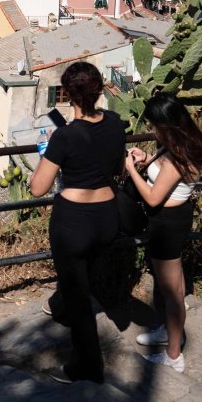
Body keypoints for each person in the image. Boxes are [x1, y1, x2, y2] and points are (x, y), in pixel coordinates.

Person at [29, 61, 127, 384]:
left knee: (77, 295)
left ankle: (86, 365)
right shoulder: (115, 124)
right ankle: (63, 309)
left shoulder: (64, 137)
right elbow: (115, 165)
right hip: (107, 218)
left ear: (68, 95)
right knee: (83, 283)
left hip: (74, 224)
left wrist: (49, 152)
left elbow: (37, 187)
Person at [123, 92, 202, 373]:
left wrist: (131, 170)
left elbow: (152, 198)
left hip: (167, 224)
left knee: (173, 292)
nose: (151, 130)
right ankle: (168, 332)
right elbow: (167, 176)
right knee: (172, 285)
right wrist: (146, 157)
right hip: (173, 219)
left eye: (154, 125)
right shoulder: (182, 144)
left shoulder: (177, 159)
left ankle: (174, 354)